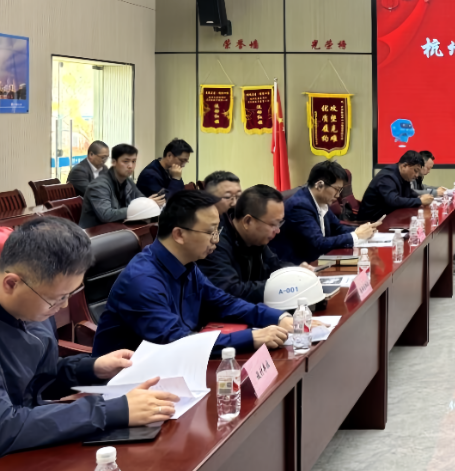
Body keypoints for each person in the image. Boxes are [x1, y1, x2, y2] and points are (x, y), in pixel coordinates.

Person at [0, 217, 179, 456]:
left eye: (69, 295)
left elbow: (36, 379)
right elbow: (6, 428)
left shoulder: (34, 309)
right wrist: (112, 410)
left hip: (35, 437)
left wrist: (92, 368)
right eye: (57, 298)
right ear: (11, 284)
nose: (64, 306)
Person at [92, 191, 293, 356]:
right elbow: (177, 342)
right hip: (124, 381)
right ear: (179, 234)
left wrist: (278, 317)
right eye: (211, 232)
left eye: (218, 231)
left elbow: (224, 303)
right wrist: (251, 338)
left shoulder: (187, 265)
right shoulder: (142, 282)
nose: (216, 240)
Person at [199, 185, 315, 303]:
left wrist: (296, 272)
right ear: (248, 221)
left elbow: (274, 265)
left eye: (279, 223)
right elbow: (232, 291)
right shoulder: (215, 244)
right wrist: (283, 284)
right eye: (273, 224)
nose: (277, 230)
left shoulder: (256, 239)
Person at [270, 162, 378, 265]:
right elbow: (318, 243)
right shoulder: (300, 206)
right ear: (320, 185)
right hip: (301, 265)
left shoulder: (320, 200)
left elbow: (337, 227)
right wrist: (355, 236)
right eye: (337, 189)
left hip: (320, 260)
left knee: (365, 263)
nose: (338, 195)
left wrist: (363, 231)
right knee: (361, 265)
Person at [80, 144, 166, 228]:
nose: (130, 166)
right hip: (95, 232)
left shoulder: (127, 181)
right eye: (126, 161)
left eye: (133, 161)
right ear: (114, 162)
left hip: (117, 228)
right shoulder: (98, 185)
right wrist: (144, 206)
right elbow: (106, 215)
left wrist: (149, 203)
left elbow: (140, 199)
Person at [356, 150, 433, 223]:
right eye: (415, 171)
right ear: (404, 166)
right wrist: (419, 201)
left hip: (387, 218)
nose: (417, 175)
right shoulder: (387, 177)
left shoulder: (403, 176)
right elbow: (393, 201)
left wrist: (420, 197)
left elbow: (408, 193)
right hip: (370, 222)